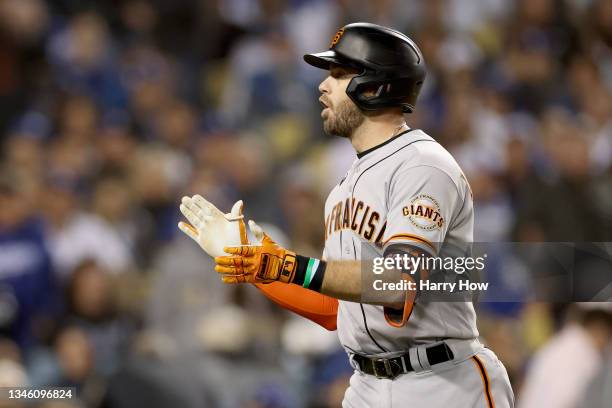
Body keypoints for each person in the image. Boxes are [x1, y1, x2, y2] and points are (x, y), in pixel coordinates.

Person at [178, 22, 514, 407]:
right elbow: (342, 311)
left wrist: (288, 266)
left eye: (338, 74)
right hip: (367, 385)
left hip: (441, 383)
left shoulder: (423, 166)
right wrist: (260, 269)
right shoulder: (342, 189)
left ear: (374, 86)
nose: (323, 86)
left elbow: (397, 282)